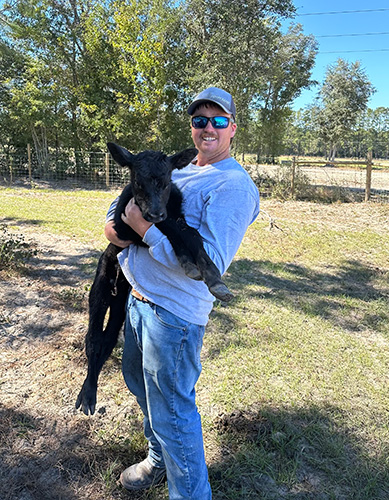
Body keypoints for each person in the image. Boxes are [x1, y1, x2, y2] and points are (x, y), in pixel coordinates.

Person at [104, 87, 260, 499]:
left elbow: (208, 264)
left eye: (218, 120)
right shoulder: (183, 167)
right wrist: (113, 222)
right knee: (142, 388)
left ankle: (190, 493)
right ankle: (159, 460)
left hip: (172, 315)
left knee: (173, 411)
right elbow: (130, 198)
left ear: (233, 129)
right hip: (139, 300)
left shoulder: (233, 186)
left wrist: (139, 230)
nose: (208, 128)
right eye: (199, 120)